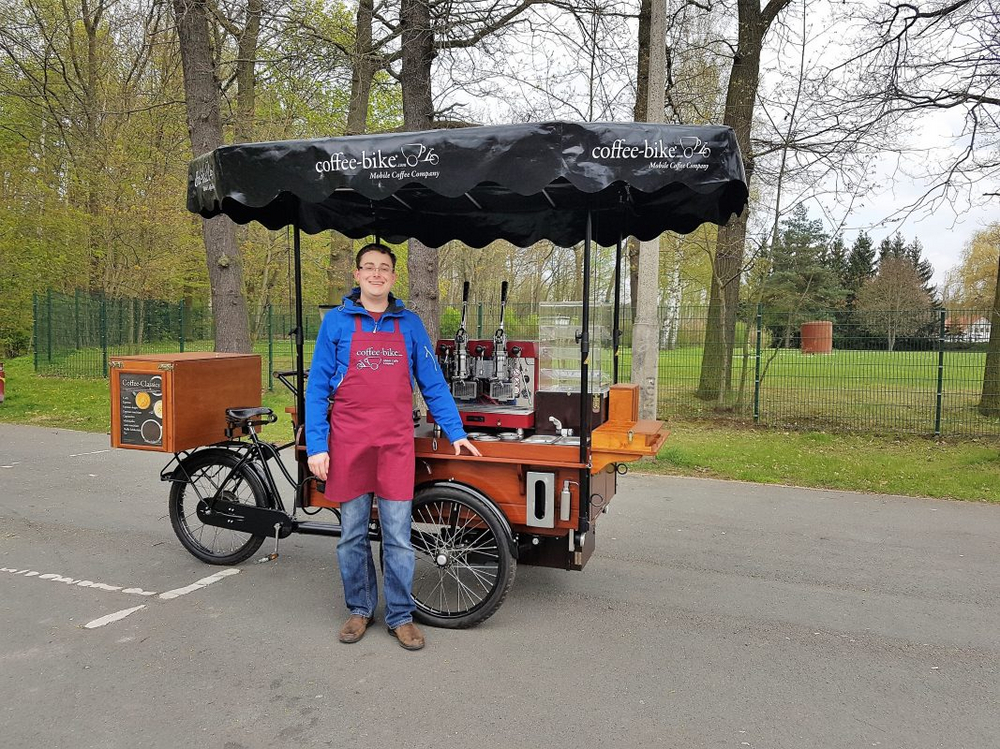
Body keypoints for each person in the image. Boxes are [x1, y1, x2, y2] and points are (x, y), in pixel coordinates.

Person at [305, 243, 480, 651]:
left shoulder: (410, 324)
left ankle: (401, 615)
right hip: (348, 442)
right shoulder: (336, 323)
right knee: (351, 534)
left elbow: (432, 382)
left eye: (384, 268)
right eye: (369, 267)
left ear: (394, 277)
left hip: (396, 443)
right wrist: (317, 445)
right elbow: (316, 389)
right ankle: (359, 609)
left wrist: (455, 431)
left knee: (398, 536)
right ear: (357, 275)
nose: (376, 274)